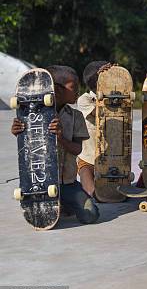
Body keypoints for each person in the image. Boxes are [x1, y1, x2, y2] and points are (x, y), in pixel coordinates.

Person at [12, 65, 99, 224]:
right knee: (46, 218)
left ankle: (67, 204)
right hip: (41, 184)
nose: (77, 91)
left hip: (67, 184)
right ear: (57, 90)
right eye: (73, 87)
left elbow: (77, 149)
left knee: (91, 215)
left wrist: (61, 138)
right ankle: (60, 205)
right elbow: (27, 148)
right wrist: (18, 131)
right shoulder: (32, 115)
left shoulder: (76, 116)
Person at [75, 61, 110, 198]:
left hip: (109, 158)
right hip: (87, 158)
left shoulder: (119, 97)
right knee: (91, 193)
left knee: (113, 194)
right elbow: (100, 112)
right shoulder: (85, 99)